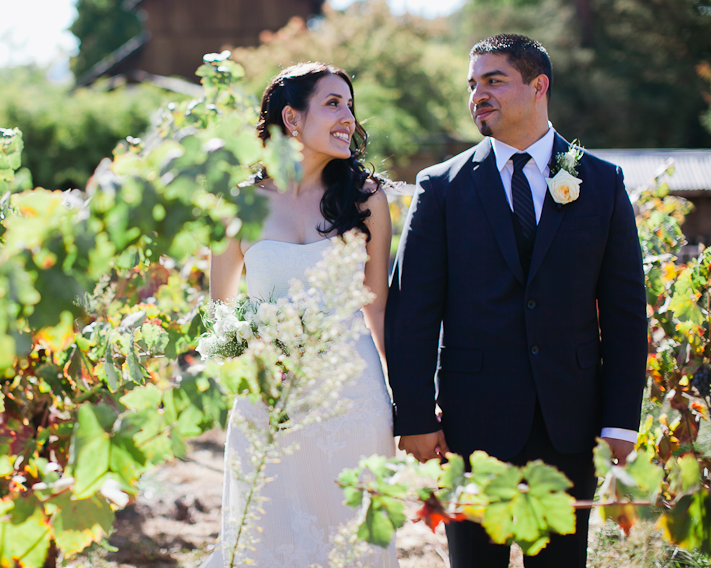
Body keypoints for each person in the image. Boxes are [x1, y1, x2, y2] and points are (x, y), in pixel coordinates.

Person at [385, 34, 648, 567]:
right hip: (471, 423)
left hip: (570, 424)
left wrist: (620, 421)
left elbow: (624, 310)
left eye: (494, 80)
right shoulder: (441, 186)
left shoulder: (600, 181)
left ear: (539, 85)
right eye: (472, 84)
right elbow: (412, 308)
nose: (478, 94)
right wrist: (413, 414)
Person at [202, 62, 400, 567]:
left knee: (353, 545)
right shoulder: (239, 205)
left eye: (350, 105)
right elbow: (220, 314)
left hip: (352, 402)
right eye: (334, 103)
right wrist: (254, 361)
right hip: (269, 404)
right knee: (267, 541)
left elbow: (376, 304)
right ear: (291, 118)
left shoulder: (366, 198)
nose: (349, 117)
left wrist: (407, 397)